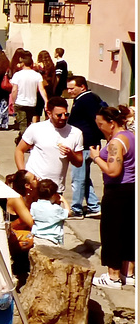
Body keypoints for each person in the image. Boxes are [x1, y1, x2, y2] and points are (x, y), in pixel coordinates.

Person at [89, 104, 135, 288]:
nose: (99, 128)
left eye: (101, 124)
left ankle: (113, 276)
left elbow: (113, 170)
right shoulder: (131, 136)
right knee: (129, 231)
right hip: (131, 189)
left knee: (112, 233)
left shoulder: (116, 142)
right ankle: (129, 273)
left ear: (111, 123)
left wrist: (96, 157)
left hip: (117, 191)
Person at [14, 96, 83, 194]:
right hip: (35, 186)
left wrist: (70, 154)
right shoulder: (36, 128)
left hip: (56, 189)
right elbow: (19, 150)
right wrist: (24, 174)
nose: (63, 118)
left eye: (66, 114)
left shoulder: (76, 133)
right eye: (59, 115)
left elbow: (79, 162)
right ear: (49, 114)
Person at [65, 75, 106, 218]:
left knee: (78, 179)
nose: (69, 91)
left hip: (85, 145)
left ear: (82, 87)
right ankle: (94, 206)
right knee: (84, 177)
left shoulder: (86, 100)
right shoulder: (87, 98)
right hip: (88, 143)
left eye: (72, 88)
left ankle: (76, 209)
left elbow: (96, 120)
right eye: (68, 88)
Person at [8, 51, 46, 138]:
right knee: (28, 123)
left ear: (23, 63)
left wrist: (12, 101)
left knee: (23, 124)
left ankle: (26, 143)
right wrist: (46, 101)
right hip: (32, 103)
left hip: (20, 102)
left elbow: (14, 90)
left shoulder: (17, 75)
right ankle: (21, 140)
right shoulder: (37, 75)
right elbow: (41, 89)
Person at [30, 179, 67, 246]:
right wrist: (64, 200)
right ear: (53, 195)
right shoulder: (56, 209)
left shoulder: (34, 205)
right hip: (52, 240)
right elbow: (68, 213)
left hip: (37, 238)